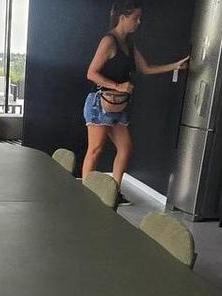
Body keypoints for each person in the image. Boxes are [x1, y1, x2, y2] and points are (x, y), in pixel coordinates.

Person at [82, 0, 189, 203]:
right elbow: (91, 73)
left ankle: (113, 192)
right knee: (95, 150)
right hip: (100, 105)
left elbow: (145, 68)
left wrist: (175, 66)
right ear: (122, 17)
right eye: (135, 18)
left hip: (118, 107)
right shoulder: (109, 41)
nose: (139, 22)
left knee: (126, 149)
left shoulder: (129, 44)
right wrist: (118, 86)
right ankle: (85, 195)